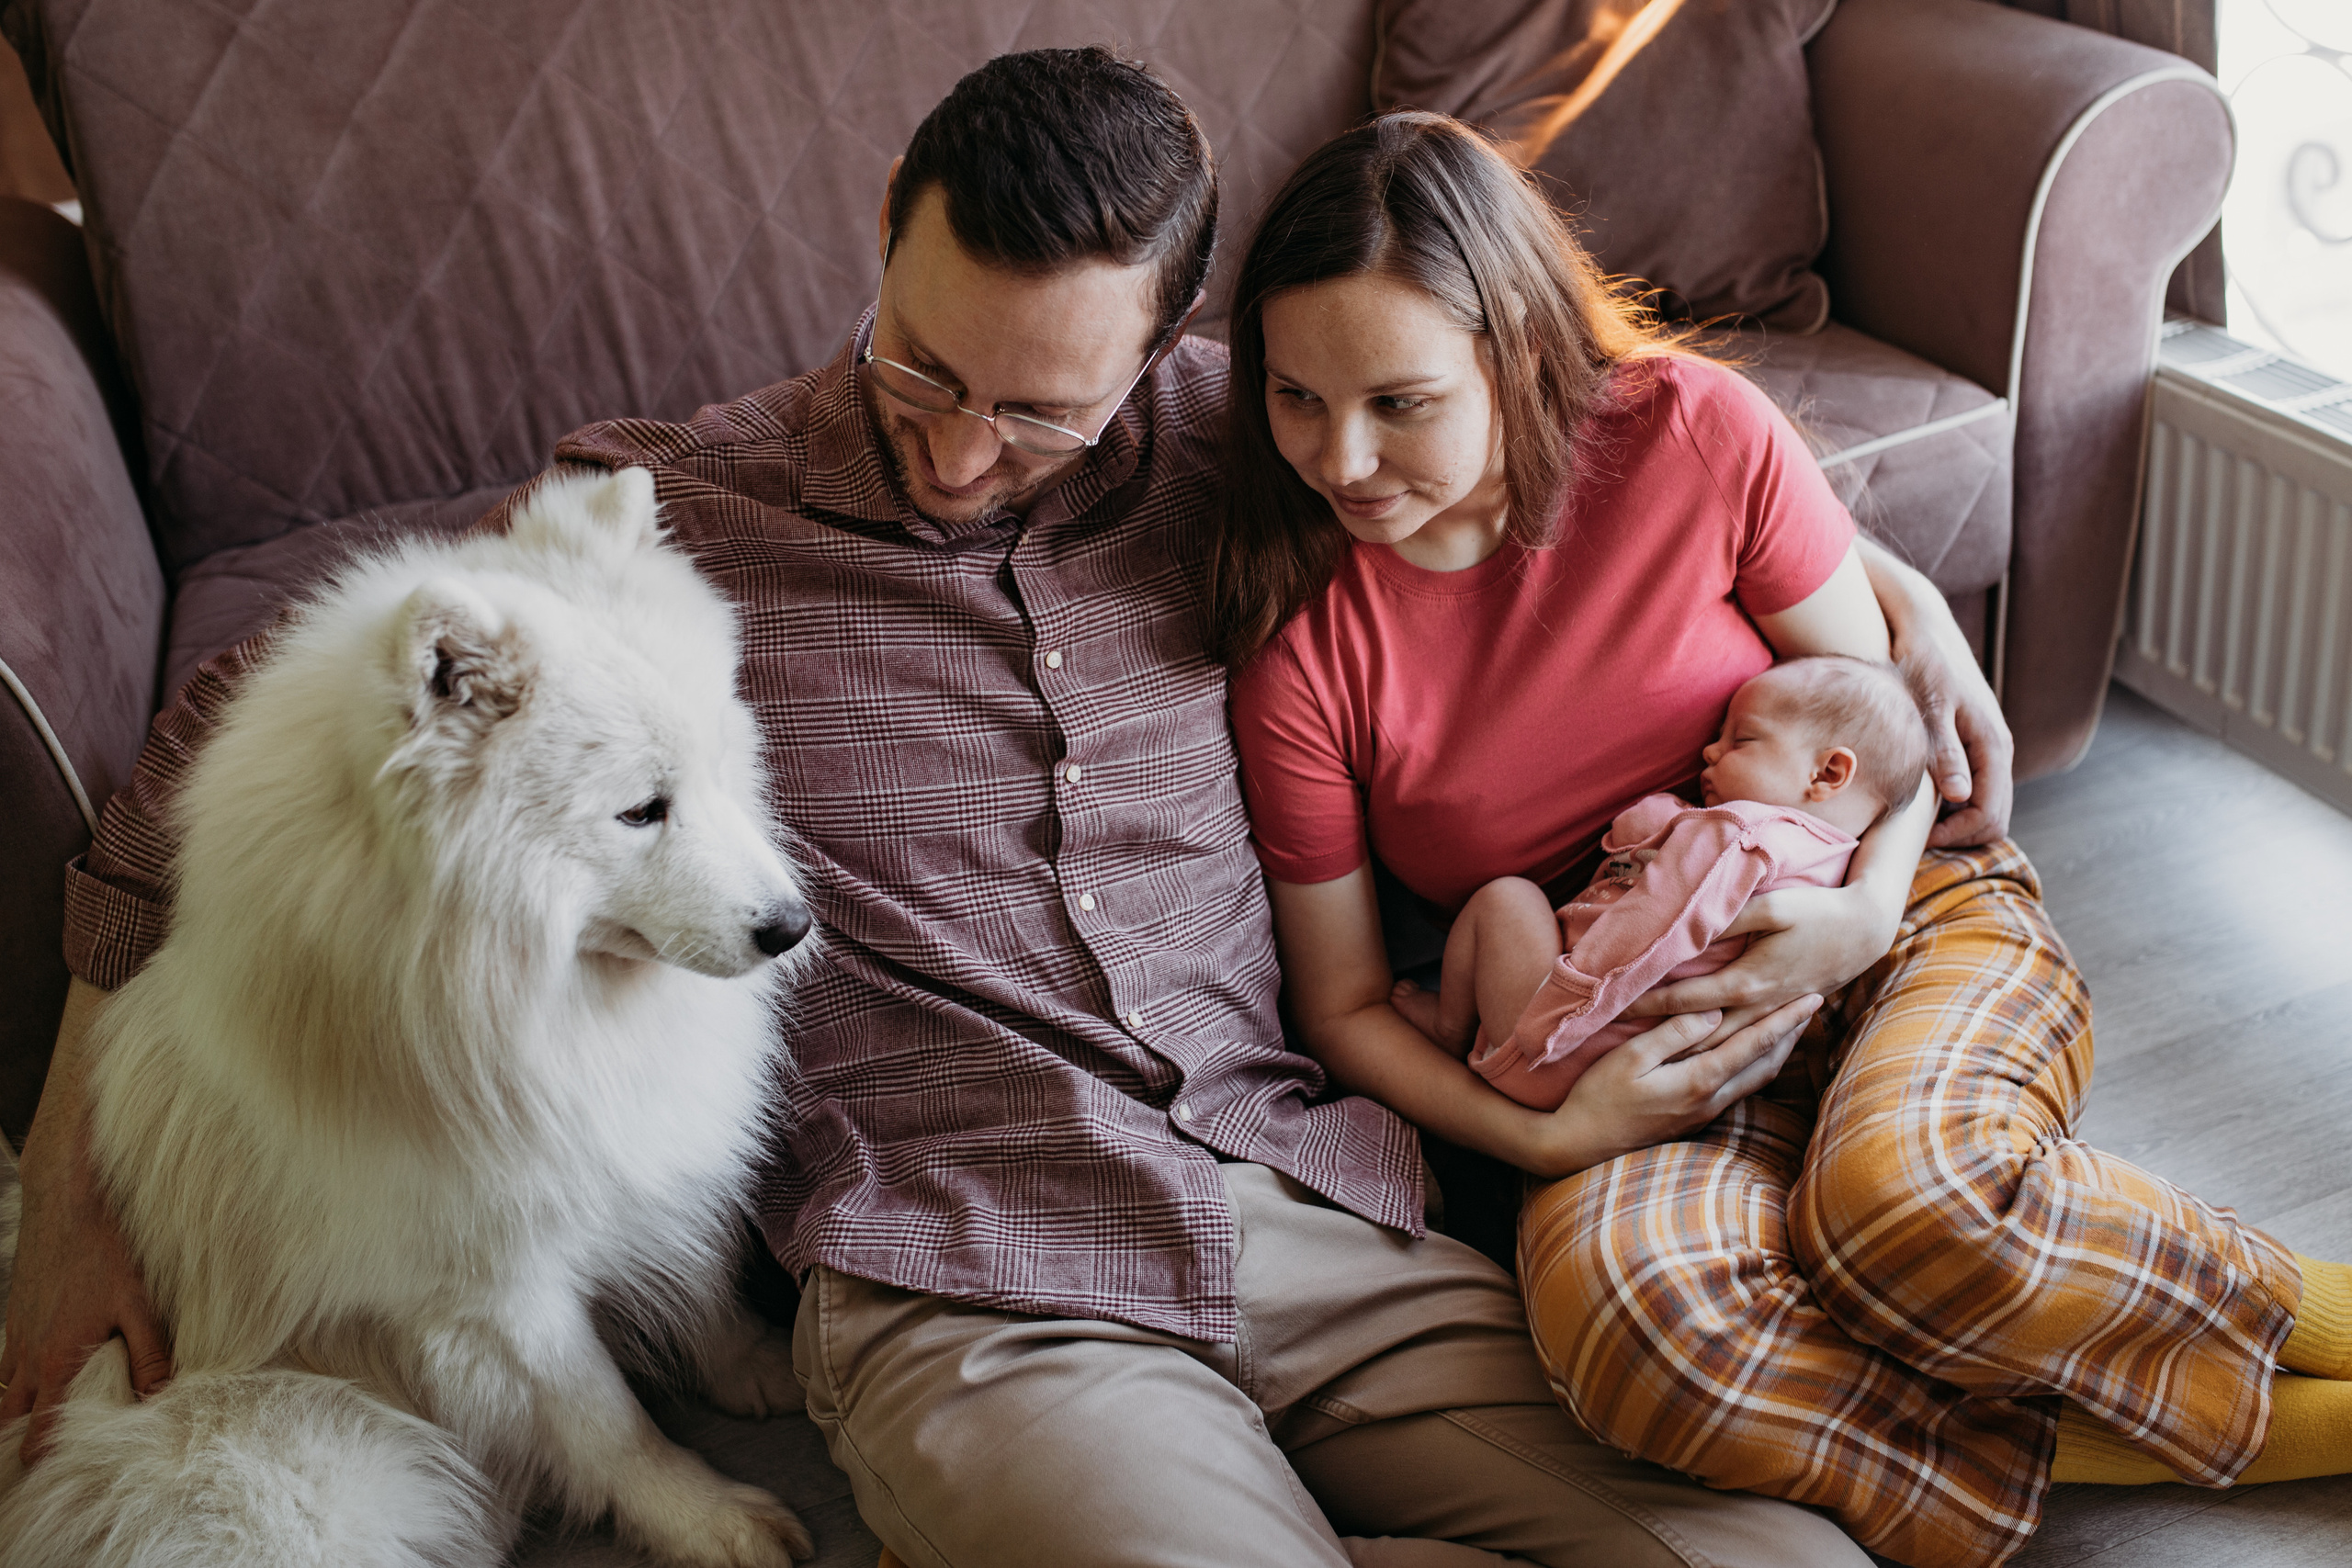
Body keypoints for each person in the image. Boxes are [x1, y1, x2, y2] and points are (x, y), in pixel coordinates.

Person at [3, 50, 1901, 1568]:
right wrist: (74, 1190)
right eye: (922, 363)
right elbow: (226, 747)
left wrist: (1909, 697)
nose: (958, 450)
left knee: (1775, 1548)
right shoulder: (666, 513)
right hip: (968, 1268)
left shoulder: (1256, 452)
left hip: (1303, 1196)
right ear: (885, 238)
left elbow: (1648, 478)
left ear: (1169, 349)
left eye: (1041, 415)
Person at [1217, 111, 2352, 1568]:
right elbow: (1349, 1003)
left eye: (1400, 400)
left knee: (1903, 1202)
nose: (1344, 459)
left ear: (1513, 345)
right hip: (1624, 1042)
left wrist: (1867, 910)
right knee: (1634, 1338)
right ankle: (2206, 1416)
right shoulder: (1302, 653)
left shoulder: (1690, 431)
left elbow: (1886, 745)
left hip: (1887, 910)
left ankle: (2318, 1332)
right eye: (1296, 397)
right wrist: (1548, 1131)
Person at [1396, 655, 1931, 1111]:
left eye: (1741, 739)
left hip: (1558, 1044)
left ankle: (1451, 1027)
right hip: (1654, 1074)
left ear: (1827, 774)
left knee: (1505, 898)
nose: (1711, 752)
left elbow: (1655, 923)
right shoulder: (1830, 860)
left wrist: (1558, 1016)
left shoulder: (1739, 834)